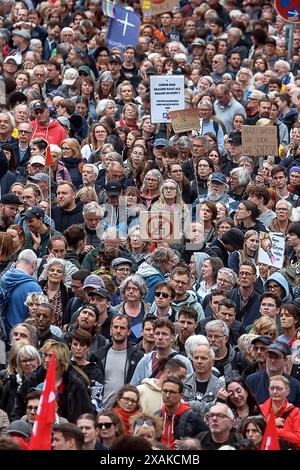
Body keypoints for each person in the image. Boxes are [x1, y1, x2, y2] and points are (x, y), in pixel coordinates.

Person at [11, 339, 94, 423]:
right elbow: (17, 410)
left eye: (51, 356)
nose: (47, 360)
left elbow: (88, 412)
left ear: (62, 359)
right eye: (45, 355)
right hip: (33, 429)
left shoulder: (75, 385)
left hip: (66, 430)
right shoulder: (33, 381)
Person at [91, 315, 144, 409]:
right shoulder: (99, 356)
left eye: (122, 328)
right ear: (111, 330)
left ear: (128, 332)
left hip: (127, 411)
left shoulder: (138, 357)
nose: (118, 331)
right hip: (103, 411)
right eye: (115, 327)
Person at [130, 318, 193, 386]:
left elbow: (189, 390)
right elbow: (134, 387)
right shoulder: (145, 361)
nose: (160, 337)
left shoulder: (184, 362)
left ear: (172, 337)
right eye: (157, 333)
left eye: (164, 334)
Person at [159, 376, 208, 450]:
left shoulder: (192, 417)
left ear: (181, 395)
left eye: (172, 392)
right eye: (165, 391)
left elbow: (207, 439)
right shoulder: (157, 416)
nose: (167, 395)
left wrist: (189, 445)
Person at [1, 249, 42, 336]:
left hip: (3, 334)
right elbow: (39, 316)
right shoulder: (34, 287)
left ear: (17, 262)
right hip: (23, 336)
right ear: (34, 264)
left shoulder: (2, 280)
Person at [183, 343, 224, 419]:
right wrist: (210, 405)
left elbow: (217, 410)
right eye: (196, 358)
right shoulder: (184, 382)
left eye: (203, 358)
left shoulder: (220, 386)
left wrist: (190, 405)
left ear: (212, 362)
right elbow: (179, 406)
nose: (199, 361)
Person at [260, 375, 300, 449]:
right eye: (271, 388)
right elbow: (254, 434)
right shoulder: (260, 409)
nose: (274, 392)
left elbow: (298, 439)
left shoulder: (296, 412)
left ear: (288, 391)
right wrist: (272, 424)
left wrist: (273, 429)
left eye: (279, 389)